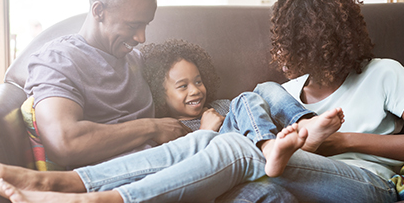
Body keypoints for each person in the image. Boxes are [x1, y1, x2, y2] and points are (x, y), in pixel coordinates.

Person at [0, 0, 404, 203]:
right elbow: (230, 113)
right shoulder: (286, 90)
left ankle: (92, 199)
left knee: (237, 141)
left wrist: (343, 140)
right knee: (226, 129)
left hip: (367, 180)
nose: (307, 58)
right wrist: (237, 123)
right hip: (299, 165)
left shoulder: (383, 73)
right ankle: (68, 186)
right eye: (300, 47)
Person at [0, 0, 304, 203]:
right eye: (132, 25)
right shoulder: (58, 60)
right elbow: (65, 142)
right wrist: (151, 127)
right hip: (115, 187)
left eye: (146, 25)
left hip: (177, 175)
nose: (141, 37)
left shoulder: (135, 60)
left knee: (275, 201)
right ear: (98, 10)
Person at [140, 38, 344, 176]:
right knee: (244, 99)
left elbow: (253, 113)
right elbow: (186, 170)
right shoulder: (171, 128)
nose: (195, 90)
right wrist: (204, 132)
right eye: (183, 86)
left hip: (269, 136)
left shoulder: (220, 105)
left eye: (198, 81)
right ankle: (269, 147)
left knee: (265, 88)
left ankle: (304, 124)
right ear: (160, 93)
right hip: (229, 157)